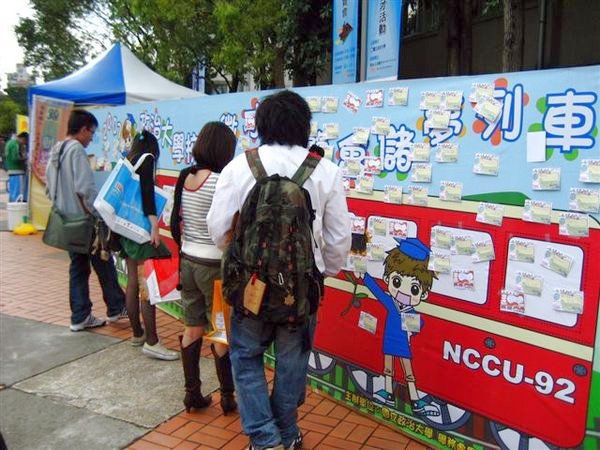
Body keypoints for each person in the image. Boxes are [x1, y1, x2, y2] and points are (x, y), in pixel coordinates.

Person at [207, 90, 351, 450]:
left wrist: (245, 257)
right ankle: (286, 433)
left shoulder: (240, 167)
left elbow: (218, 228)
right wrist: (323, 271)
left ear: (261, 126)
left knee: (246, 357)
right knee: (291, 365)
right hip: (301, 290)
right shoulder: (325, 171)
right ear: (304, 126)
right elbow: (339, 238)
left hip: (250, 286)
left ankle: (265, 439)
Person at [170, 121, 238, 414]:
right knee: (220, 330)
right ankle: (227, 397)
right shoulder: (221, 181)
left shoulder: (185, 177)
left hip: (188, 262)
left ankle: (192, 394)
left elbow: (176, 222)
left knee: (192, 327)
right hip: (214, 268)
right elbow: (228, 226)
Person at [45, 110, 127, 331]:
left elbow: (49, 188)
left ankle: (80, 315)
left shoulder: (57, 149)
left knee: (79, 267)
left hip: (66, 222)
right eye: (92, 132)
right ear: (83, 129)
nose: (92, 137)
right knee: (102, 260)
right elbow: (85, 190)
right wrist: (98, 214)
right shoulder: (77, 151)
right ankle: (116, 307)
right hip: (84, 221)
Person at [121, 130, 178, 361]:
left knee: (133, 283)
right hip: (141, 230)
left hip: (126, 229)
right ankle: (152, 342)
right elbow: (147, 193)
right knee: (147, 286)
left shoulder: (129, 160)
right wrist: (154, 224)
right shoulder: (148, 160)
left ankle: (137, 334)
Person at [5, 131, 29, 202]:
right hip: (17, 171)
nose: (25, 143)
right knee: (17, 192)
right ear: (23, 138)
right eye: (25, 141)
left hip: (12, 171)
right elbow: (15, 157)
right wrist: (26, 158)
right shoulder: (14, 144)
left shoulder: (10, 143)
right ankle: (16, 205)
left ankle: (13, 203)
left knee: (13, 192)